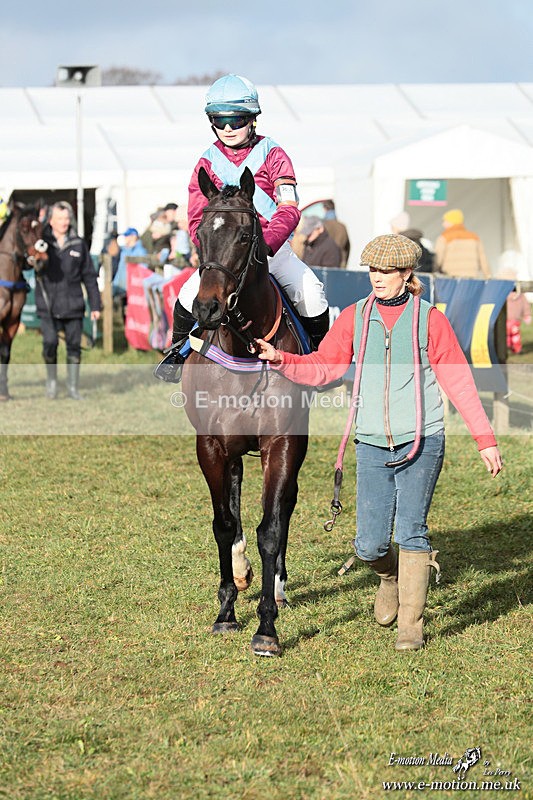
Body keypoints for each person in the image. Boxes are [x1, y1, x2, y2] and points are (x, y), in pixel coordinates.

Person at [256, 233, 502, 651]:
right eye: (372, 270)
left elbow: (459, 381)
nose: (378, 277)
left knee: (411, 531)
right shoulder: (354, 317)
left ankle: (411, 624)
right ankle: (389, 577)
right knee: (369, 544)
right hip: (370, 442)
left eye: (387, 271)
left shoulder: (430, 320)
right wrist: (284, 360)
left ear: (407, 274)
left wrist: (485, 438)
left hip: (422, 441)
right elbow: (325, 367)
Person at [155, 73, 329, 382]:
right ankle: (178, 352)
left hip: (271, 250)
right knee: (185, 298)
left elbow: (289, 208)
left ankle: (321, 362)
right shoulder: (205, 162)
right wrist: (212, 250)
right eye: (219, 120)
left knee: (312, 294)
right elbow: (197, 217)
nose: (227, 128)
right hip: (225, 257)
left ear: (252, 120)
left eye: (236, 120)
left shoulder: (274, 154)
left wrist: (267, 244)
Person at [36, 201, 101, 400]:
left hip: (73, 305)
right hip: (48, 305)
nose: (64, 222)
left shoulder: (78, 243)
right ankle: (52, 384)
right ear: (51, 220)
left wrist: (95, 304)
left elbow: (89, 276)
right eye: (60, 219)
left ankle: (73, 388)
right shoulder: (40, 242)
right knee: (50, 343)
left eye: (66, 218)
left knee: (74, 347)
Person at [434, 209, 491, 278]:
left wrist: (434, 271)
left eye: (445, 221)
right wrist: (488, 275)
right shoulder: (474, 237)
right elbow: (483, 258)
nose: (443, 224)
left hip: (451, 277)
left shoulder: (444, 237)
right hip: (472, 277)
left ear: (451, 222)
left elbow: (437, 259)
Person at [112, 227, 147, 297]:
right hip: (118, 285)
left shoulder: (141, 251)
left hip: (132, 288)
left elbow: (143, 269)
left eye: (127, 235)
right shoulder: (123, 250)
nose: (125, 237)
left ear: (134, 237)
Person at [322, 199, 350, 268]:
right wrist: (344, 263)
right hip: (339, 264)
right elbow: (347, 247)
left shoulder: (321, 226)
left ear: (325, 209)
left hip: (324, 263)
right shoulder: (342, 226)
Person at [506, 284, 531, 354]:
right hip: (514, 320)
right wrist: (527, 315)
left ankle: (509, 347)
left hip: (507, 319)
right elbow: (526, 306)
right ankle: (516, 348)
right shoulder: (521, 296)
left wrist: (527, 315)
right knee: (515, 335)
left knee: (507, 335)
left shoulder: (503, 295)